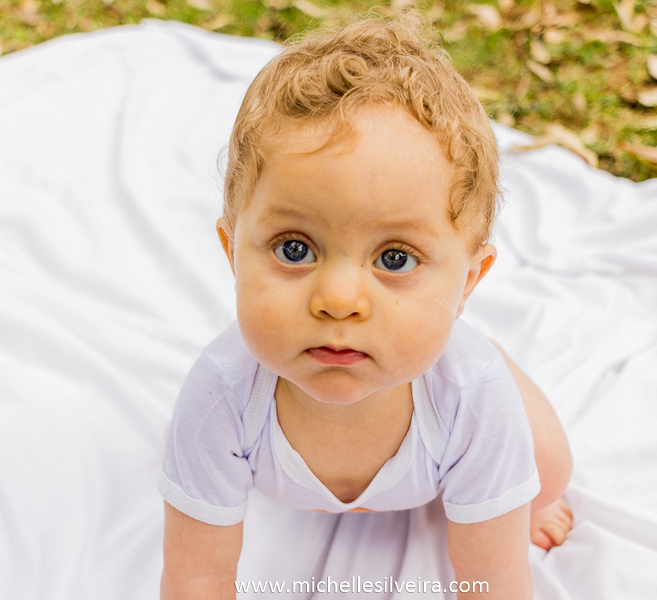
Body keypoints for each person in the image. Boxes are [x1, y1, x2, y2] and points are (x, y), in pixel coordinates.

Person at [158, 11, 573, 599]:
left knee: (548, 469)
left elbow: (493, 583)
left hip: (457, 429)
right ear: (232, 251)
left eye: (395, 259)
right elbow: (197, 576)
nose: (339, 301)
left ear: (469, 280)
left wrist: (511, 511)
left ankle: (496, 392)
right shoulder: (221, 395)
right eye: (295, 248)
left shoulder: (473, 399)